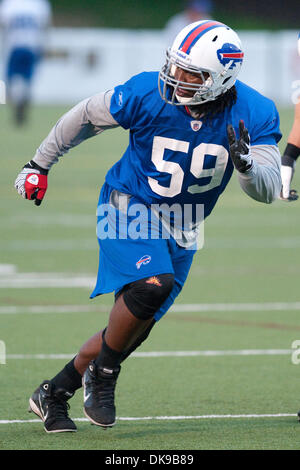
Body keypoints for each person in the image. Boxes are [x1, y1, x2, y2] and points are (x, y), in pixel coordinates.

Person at [14, 19, 282, 433]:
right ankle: (103, 377)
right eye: (175, 66)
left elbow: (266, 190)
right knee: (151, 285)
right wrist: (39, 164)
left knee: (135, 324)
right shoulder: (146, 92)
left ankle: (54, 392)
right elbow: (86, 114)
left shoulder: (256, 111)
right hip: (129, 203)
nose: (176, 78)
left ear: (221, 78)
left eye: (190, 73)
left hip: (185, 224)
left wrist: (246, 165)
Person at [0, 0, 52, 125]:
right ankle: (23, 107)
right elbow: (45, 27)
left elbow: (3, 25)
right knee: (28, 81)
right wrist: (44, 45)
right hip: (32, 47)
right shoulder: (39, 4)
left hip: (15, 47)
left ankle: (16, 108)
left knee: (9, 79)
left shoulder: (9, 4)